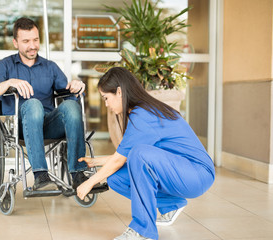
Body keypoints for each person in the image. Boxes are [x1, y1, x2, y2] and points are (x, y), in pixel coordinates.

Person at [76, 67, 215, 240]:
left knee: (139, 154)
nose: (106, 104)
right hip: (182, 170)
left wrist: (89, 183)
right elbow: (124, 156)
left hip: (198, 174)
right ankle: (172, 204)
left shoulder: (143, 115)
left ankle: (143, 230)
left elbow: (123, 158)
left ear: (119, 92)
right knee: (116, 178)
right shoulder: (141, 112)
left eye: (106, 98)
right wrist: (95, 162)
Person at [0, 17, 88, 191]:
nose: (32, 45)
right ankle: (40, 174)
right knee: (33, 104)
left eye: (35, 40)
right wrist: (9, 82)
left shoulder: (50, 67)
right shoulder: (5, 66)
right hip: (20, 128)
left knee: (72, 107)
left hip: (48, 125)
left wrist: (77, 87)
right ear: (15, 42)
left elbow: (70, 96)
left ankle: (78, 174)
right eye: (26, 41)